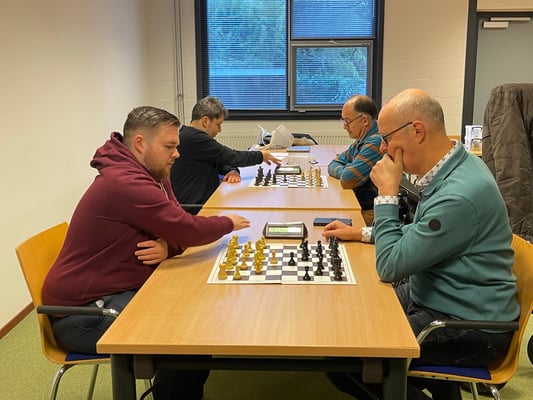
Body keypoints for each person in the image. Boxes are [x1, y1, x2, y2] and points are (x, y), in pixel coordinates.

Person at [42, 106, 250, 400]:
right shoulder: (125, 182)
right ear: (140, 143)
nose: (176, 153)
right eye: (169, 146)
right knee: (186, 337)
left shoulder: (153, 172)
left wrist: (169, 246)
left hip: (118, 288)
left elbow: (175, 225)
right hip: (84, 313)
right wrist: (227, 223)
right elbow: (185, 228)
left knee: (195, 313)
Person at [323, 88, 520, 400]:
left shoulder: (459, 194)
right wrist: (363, 233)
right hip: (435, 296)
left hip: (467, 324)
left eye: (387, 138)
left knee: (345, 359)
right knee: (355, 314)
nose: (382, 148)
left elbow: (390, 266)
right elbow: (422, 233)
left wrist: (386, 194)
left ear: (417, 130)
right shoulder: (454, 166)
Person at [170, 96, 281, 213]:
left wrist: (232, 171)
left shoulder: (192, 136)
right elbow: (231, 156)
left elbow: (220, 159)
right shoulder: (194, 138)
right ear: (205, 121)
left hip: (206, 201)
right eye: (218, 124)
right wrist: (261, 156)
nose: (219, 130)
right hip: (195, 209)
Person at [328, 95, 383, 226]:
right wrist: (347, 169)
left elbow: (347, 179)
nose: (344, 126)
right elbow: (333, 164)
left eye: (347, 121)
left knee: (329, 226)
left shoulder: (375, 142)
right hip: (362, 205)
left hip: (375, 213)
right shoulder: (361, 141)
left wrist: (347, 171)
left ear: (365, 121)